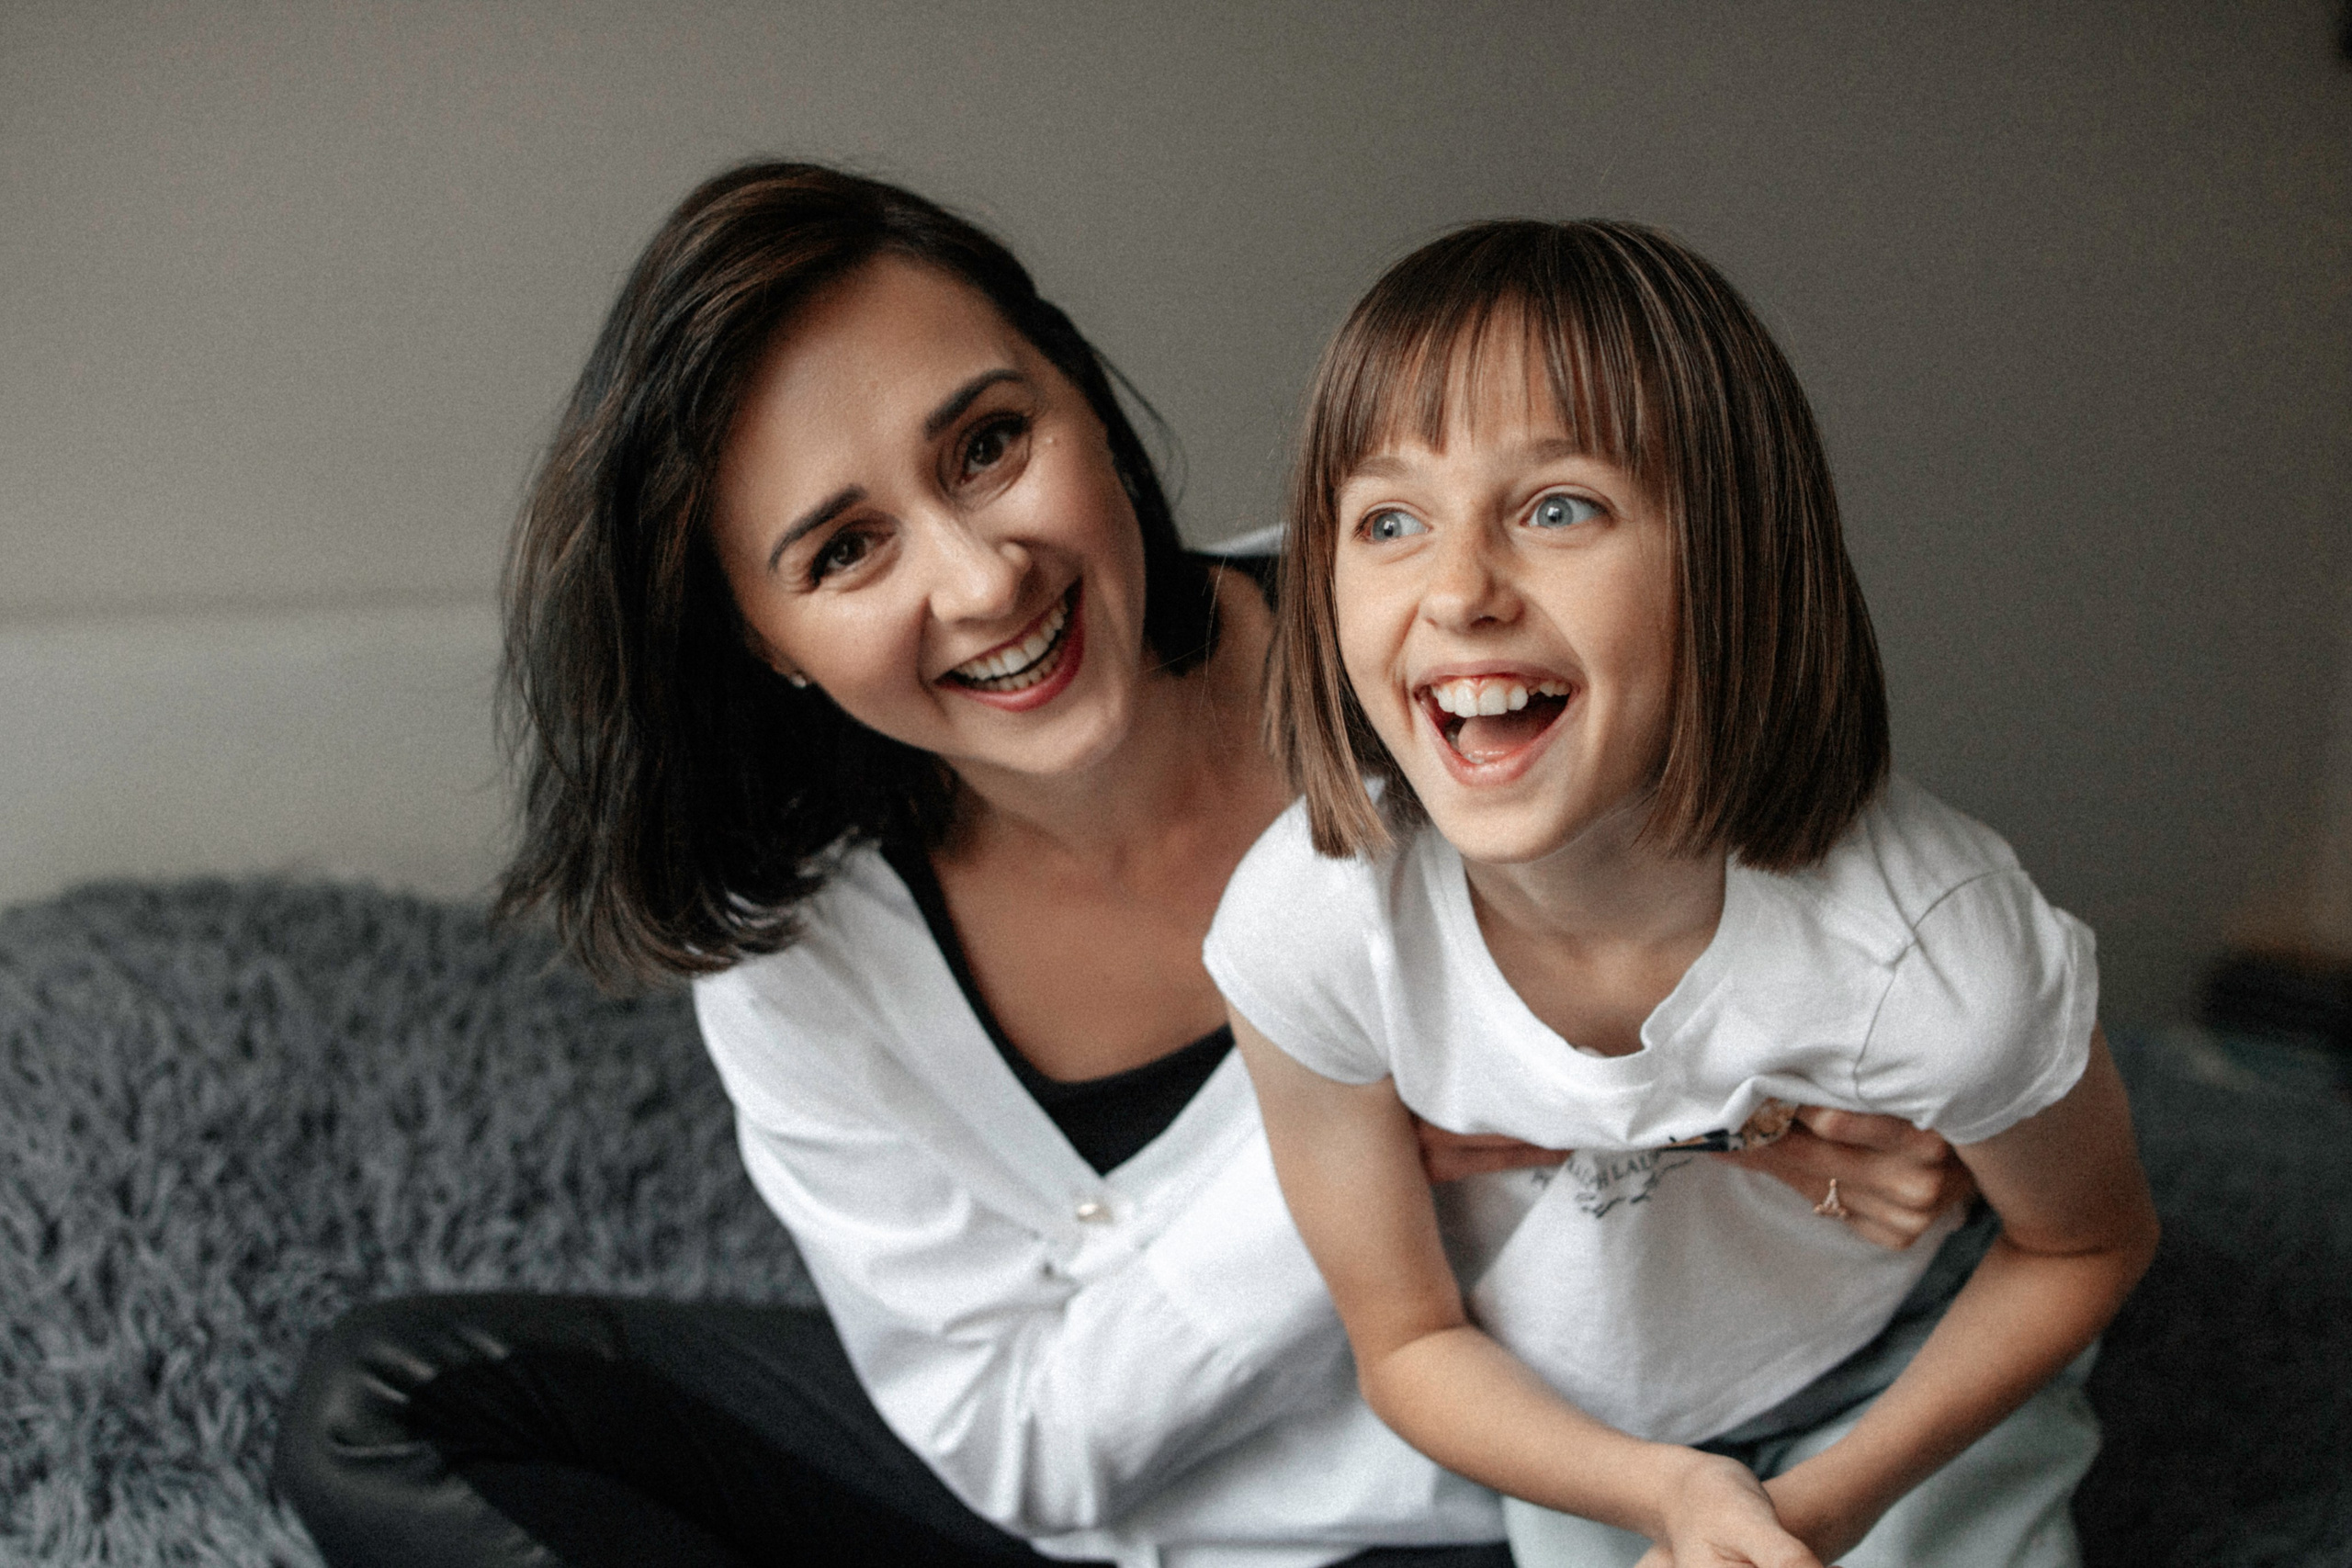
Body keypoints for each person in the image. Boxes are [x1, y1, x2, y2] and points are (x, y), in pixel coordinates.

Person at [273, 165, 1977, 1568]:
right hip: (1105, 1540)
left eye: (990, 445)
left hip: (1494, 1519)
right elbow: (1025, 1450)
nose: (979, 576)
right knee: (394, 1401)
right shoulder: (808, 952)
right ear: (769, 639)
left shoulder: (1441, 636)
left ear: (1084, 400)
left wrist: (1839, 1144)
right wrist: (1381, 1111)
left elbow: (1864, 1026)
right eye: (847, 550)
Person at [1205, 219, 2161, 1568]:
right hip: (1582, 1440)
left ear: (1735, 562)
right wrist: (1661, 1495)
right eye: (1391, 521)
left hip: (1895, 1380)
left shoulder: (1931, 958)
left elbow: (2084, 1246)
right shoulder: (1308, 928)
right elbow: (1409, 1340)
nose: (1460, 589)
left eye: (1558, 507)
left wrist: (1828, 1507)